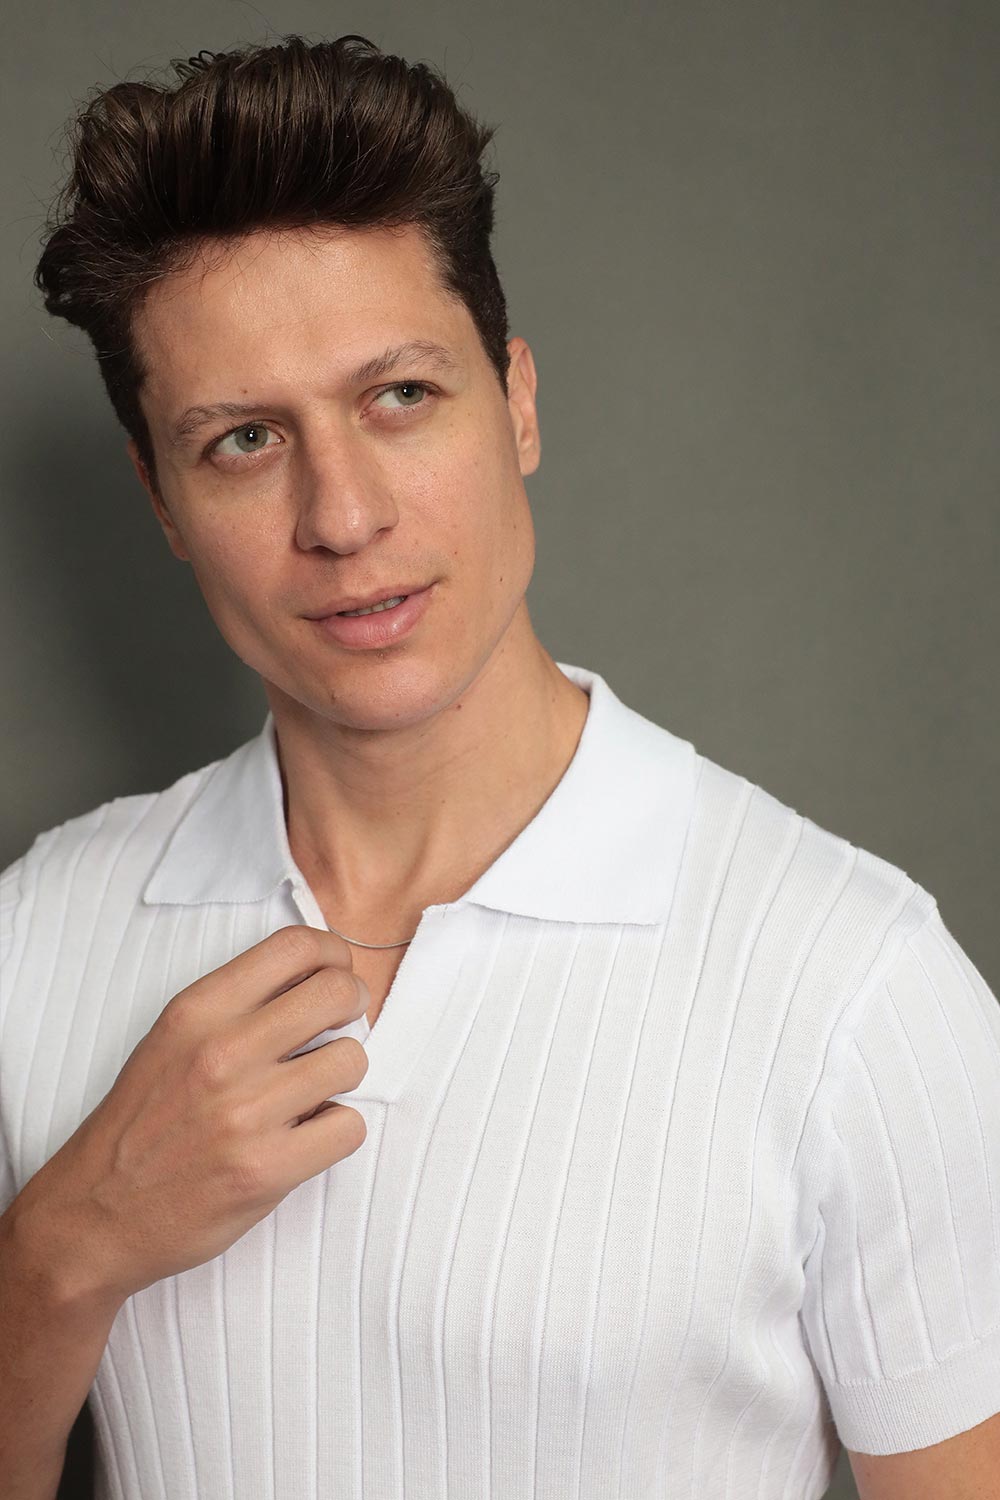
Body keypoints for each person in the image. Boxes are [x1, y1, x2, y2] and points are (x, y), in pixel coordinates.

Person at [1, 33, 998, 1500]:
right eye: (245, 440)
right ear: (159, 496)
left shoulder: (853, 986)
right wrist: (60, 1251)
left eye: (401, 396)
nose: (343, 517)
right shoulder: (38, 936)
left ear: (516, 402)